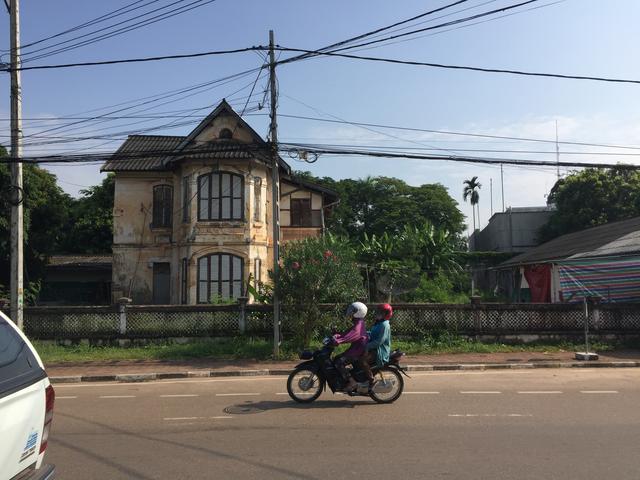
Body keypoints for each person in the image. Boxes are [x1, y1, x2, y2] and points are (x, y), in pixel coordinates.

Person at [332, 301, 368, 392]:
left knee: (338, 362)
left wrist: (339, 340)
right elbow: (348, 333)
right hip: (356, 348)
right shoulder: (358, 322)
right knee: (336, 358)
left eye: (353, 310)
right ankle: (345, 378)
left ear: (358, 312)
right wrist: (338, 335)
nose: (350, 312)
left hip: (357, 350)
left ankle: (352, 382)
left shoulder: (358, 324)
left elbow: (351, 336)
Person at [362, 303, 393, 389]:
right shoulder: (379, 323)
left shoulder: (385, 325)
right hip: (375, 348)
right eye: (378, 311)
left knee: (362, 360)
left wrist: (367, 346)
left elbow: (379, 341)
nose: (377, 313)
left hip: (380, 351)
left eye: (381, 312)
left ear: (386, 314)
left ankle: (371, 380)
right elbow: (372, 334)